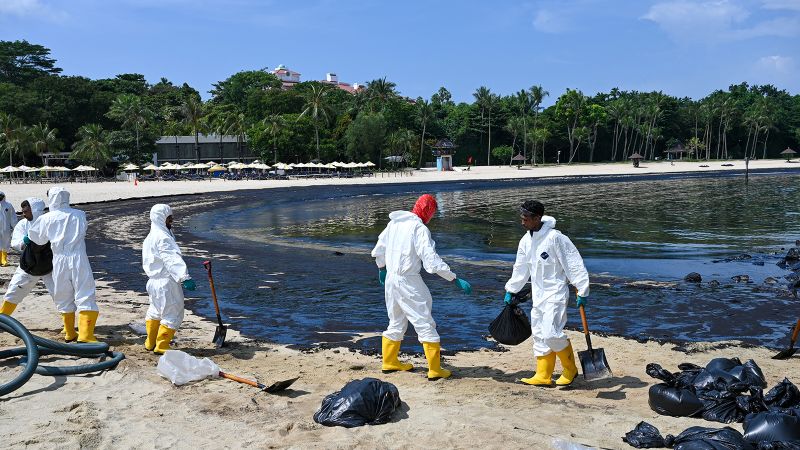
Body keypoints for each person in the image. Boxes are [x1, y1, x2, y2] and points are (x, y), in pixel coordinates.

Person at [371, 194, 472, 380]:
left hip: (392, 279)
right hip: (408, 280)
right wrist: (453, 278)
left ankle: (390, 361)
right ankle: (434, 369)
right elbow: (431, 261)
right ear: (429, 211)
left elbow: (379, 249)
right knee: (424, 322)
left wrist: (382, 269)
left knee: (396, 320)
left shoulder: (394, 223)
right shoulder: (419, 228)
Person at [502, 200, 590, 387]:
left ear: (537, 218)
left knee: (551, 333)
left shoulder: (556, 238)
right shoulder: (526, 240)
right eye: (522, 218)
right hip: (538, 295)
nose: (522, 222)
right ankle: (543, 374)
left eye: (526, 219)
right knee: (540, 334)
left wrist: (582, 289)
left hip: (556, 294)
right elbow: (520, 268)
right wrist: (511, 289)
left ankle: (570, 368)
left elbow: (573, 264)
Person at [27, 187, 99, 343]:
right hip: (78, 256)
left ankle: (69, 332)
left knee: (63, 293)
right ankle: (86, 335)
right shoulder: (80, 214)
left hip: (59, 258)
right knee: (85, 292)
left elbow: (38, 239)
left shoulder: (47, 218)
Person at [142, 204, 196, 354]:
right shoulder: (163, 238)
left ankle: (150, 342)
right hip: (166, 282)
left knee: (155, 311)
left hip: (153, 281)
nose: (171, 222)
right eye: (169, 219)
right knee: (173, 312)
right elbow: (171, 259)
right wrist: (184, 277)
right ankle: (162, 345)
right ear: (161, 218)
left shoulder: (150, 237)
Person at [0, 198, 55, 316]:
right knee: (14, 290)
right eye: (23, 211)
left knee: (60, 293)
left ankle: (68, 327)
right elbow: (15, 242)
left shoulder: (50, 222)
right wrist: (24, 241)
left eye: (26, 211)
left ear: (35, 210)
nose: (24, 214)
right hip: (28, 264)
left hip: (50, 264)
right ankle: (2, 319)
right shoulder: (22, 224)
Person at [0, 192, 18, 267]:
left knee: (5, 242)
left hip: (5, 228)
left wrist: (16, 227)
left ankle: (4, 258)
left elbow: (13, 217)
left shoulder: (8, 205)